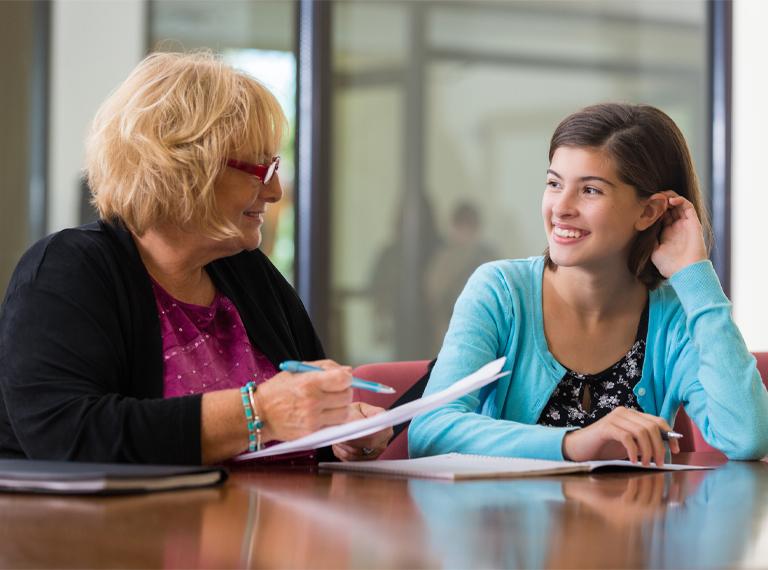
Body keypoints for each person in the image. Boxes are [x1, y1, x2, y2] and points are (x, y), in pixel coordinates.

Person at [0, 52, 391, 465]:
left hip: (265, 523)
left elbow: (304, 415)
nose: (275, 192)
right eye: (260, 168)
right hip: (125, 529)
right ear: (183, 169)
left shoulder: (247, 272)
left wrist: (343, 431)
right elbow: (70, 439)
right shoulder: (68, 270)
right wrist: (257, 413)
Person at [409, 103, 768, 466]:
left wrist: (696, 275)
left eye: (591, 191)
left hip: (640, 522)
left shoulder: (676, 315)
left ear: (648, 212)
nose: (560, 208)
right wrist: (574, 443)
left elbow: (748, 437)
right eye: (554, 184)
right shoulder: (500, 291)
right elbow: (431, 431)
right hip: (511, 522)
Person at [425, 201, 497, 354]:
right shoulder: (444, 259)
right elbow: (434, 295)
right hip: (450, 330)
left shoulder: (486, 258)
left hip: (479, 331)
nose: (465, 233)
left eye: (469, 227)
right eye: (461, 227)